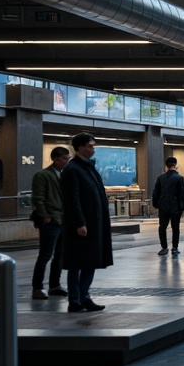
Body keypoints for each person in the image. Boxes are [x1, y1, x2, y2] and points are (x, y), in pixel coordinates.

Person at [60, 133, 113, 313]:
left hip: (94, 225)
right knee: (77, 263)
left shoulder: (88, 167)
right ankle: (75, 300)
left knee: (90, 261)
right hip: (82, 226)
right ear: (80, 147)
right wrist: (79, 223)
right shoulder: (72, 169)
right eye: (90, 146)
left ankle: (85, 296)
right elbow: (72, 199)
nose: (93, 149)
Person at [30, 146, 70, 300]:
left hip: (63, 221)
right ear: (55, 159)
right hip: (50, 221)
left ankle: (55, 285)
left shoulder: (65, 174)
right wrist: (45, 216)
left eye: (68, 158)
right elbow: (38, 198)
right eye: (64, 158)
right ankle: (37, 287)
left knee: (59, 255)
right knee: (45, 255)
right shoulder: (43, 175)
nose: (67, 161)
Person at [152, 156, 184, 257]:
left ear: (166, 165)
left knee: (162, 227)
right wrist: (183, 207)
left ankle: (164, 247)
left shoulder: (160, 178)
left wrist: (156, 204)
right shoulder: (179, 178)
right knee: (175, 228)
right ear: (175, 165)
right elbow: (182, 193)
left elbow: (155, 193)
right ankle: (175, 248)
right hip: (175, 207)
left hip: (163, 207)